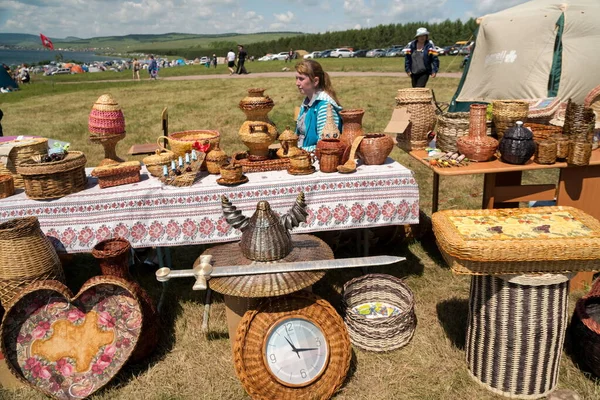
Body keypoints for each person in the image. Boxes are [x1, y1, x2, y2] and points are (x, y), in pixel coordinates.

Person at [294, 60, 342, 151]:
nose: (297, 83)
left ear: (315, 81)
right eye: (296, 78)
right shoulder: (307, 102)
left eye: (301, 79)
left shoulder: (325, 106)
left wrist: (299, 151)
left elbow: (325, 146)